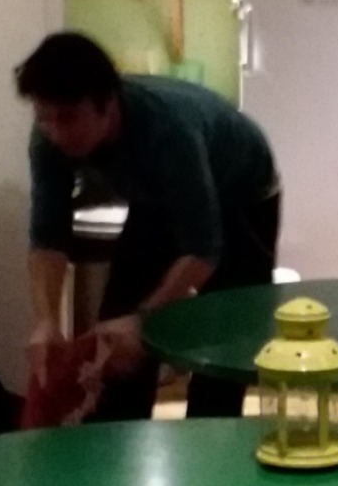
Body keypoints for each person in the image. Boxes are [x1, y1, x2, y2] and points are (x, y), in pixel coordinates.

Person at [18, 32, 281, 420]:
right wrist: (46, 321)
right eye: (45, 118)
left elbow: (203, 249)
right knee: (115, 342)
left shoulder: (169, 129)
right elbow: (47, 236)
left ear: (108, 104)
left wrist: (144, 320)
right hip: (154, 197)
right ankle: (117, 447)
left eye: (68, 118)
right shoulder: (49, 139)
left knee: (222, 346)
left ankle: (210, 441)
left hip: (242, 194)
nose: (56, 132)